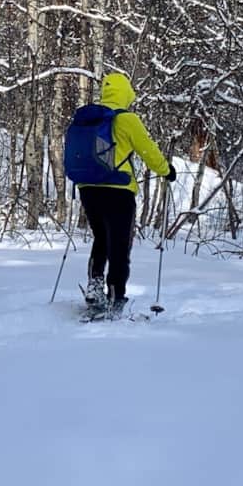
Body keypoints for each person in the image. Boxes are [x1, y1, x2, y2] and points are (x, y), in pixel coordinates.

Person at [69, 72, 173, 314]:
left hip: (88, 189)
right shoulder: (126, 119)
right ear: (126, 93)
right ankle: (116, 294)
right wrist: (166, 170)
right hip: (118, 191)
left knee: (101, 239)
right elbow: (148, 150)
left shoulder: (89, 118)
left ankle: (95, 284)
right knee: (119, 244)